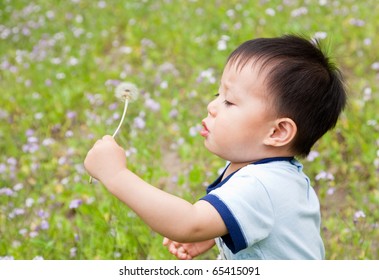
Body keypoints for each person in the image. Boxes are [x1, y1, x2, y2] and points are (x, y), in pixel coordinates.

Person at [84, 34, 347, 260]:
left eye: (229, 102)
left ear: (277, 132)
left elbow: (188, 223)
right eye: (216, 95)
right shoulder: (271, 174)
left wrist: (116, 175)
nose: (212, 106)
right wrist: (220, 230)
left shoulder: (261, 185)